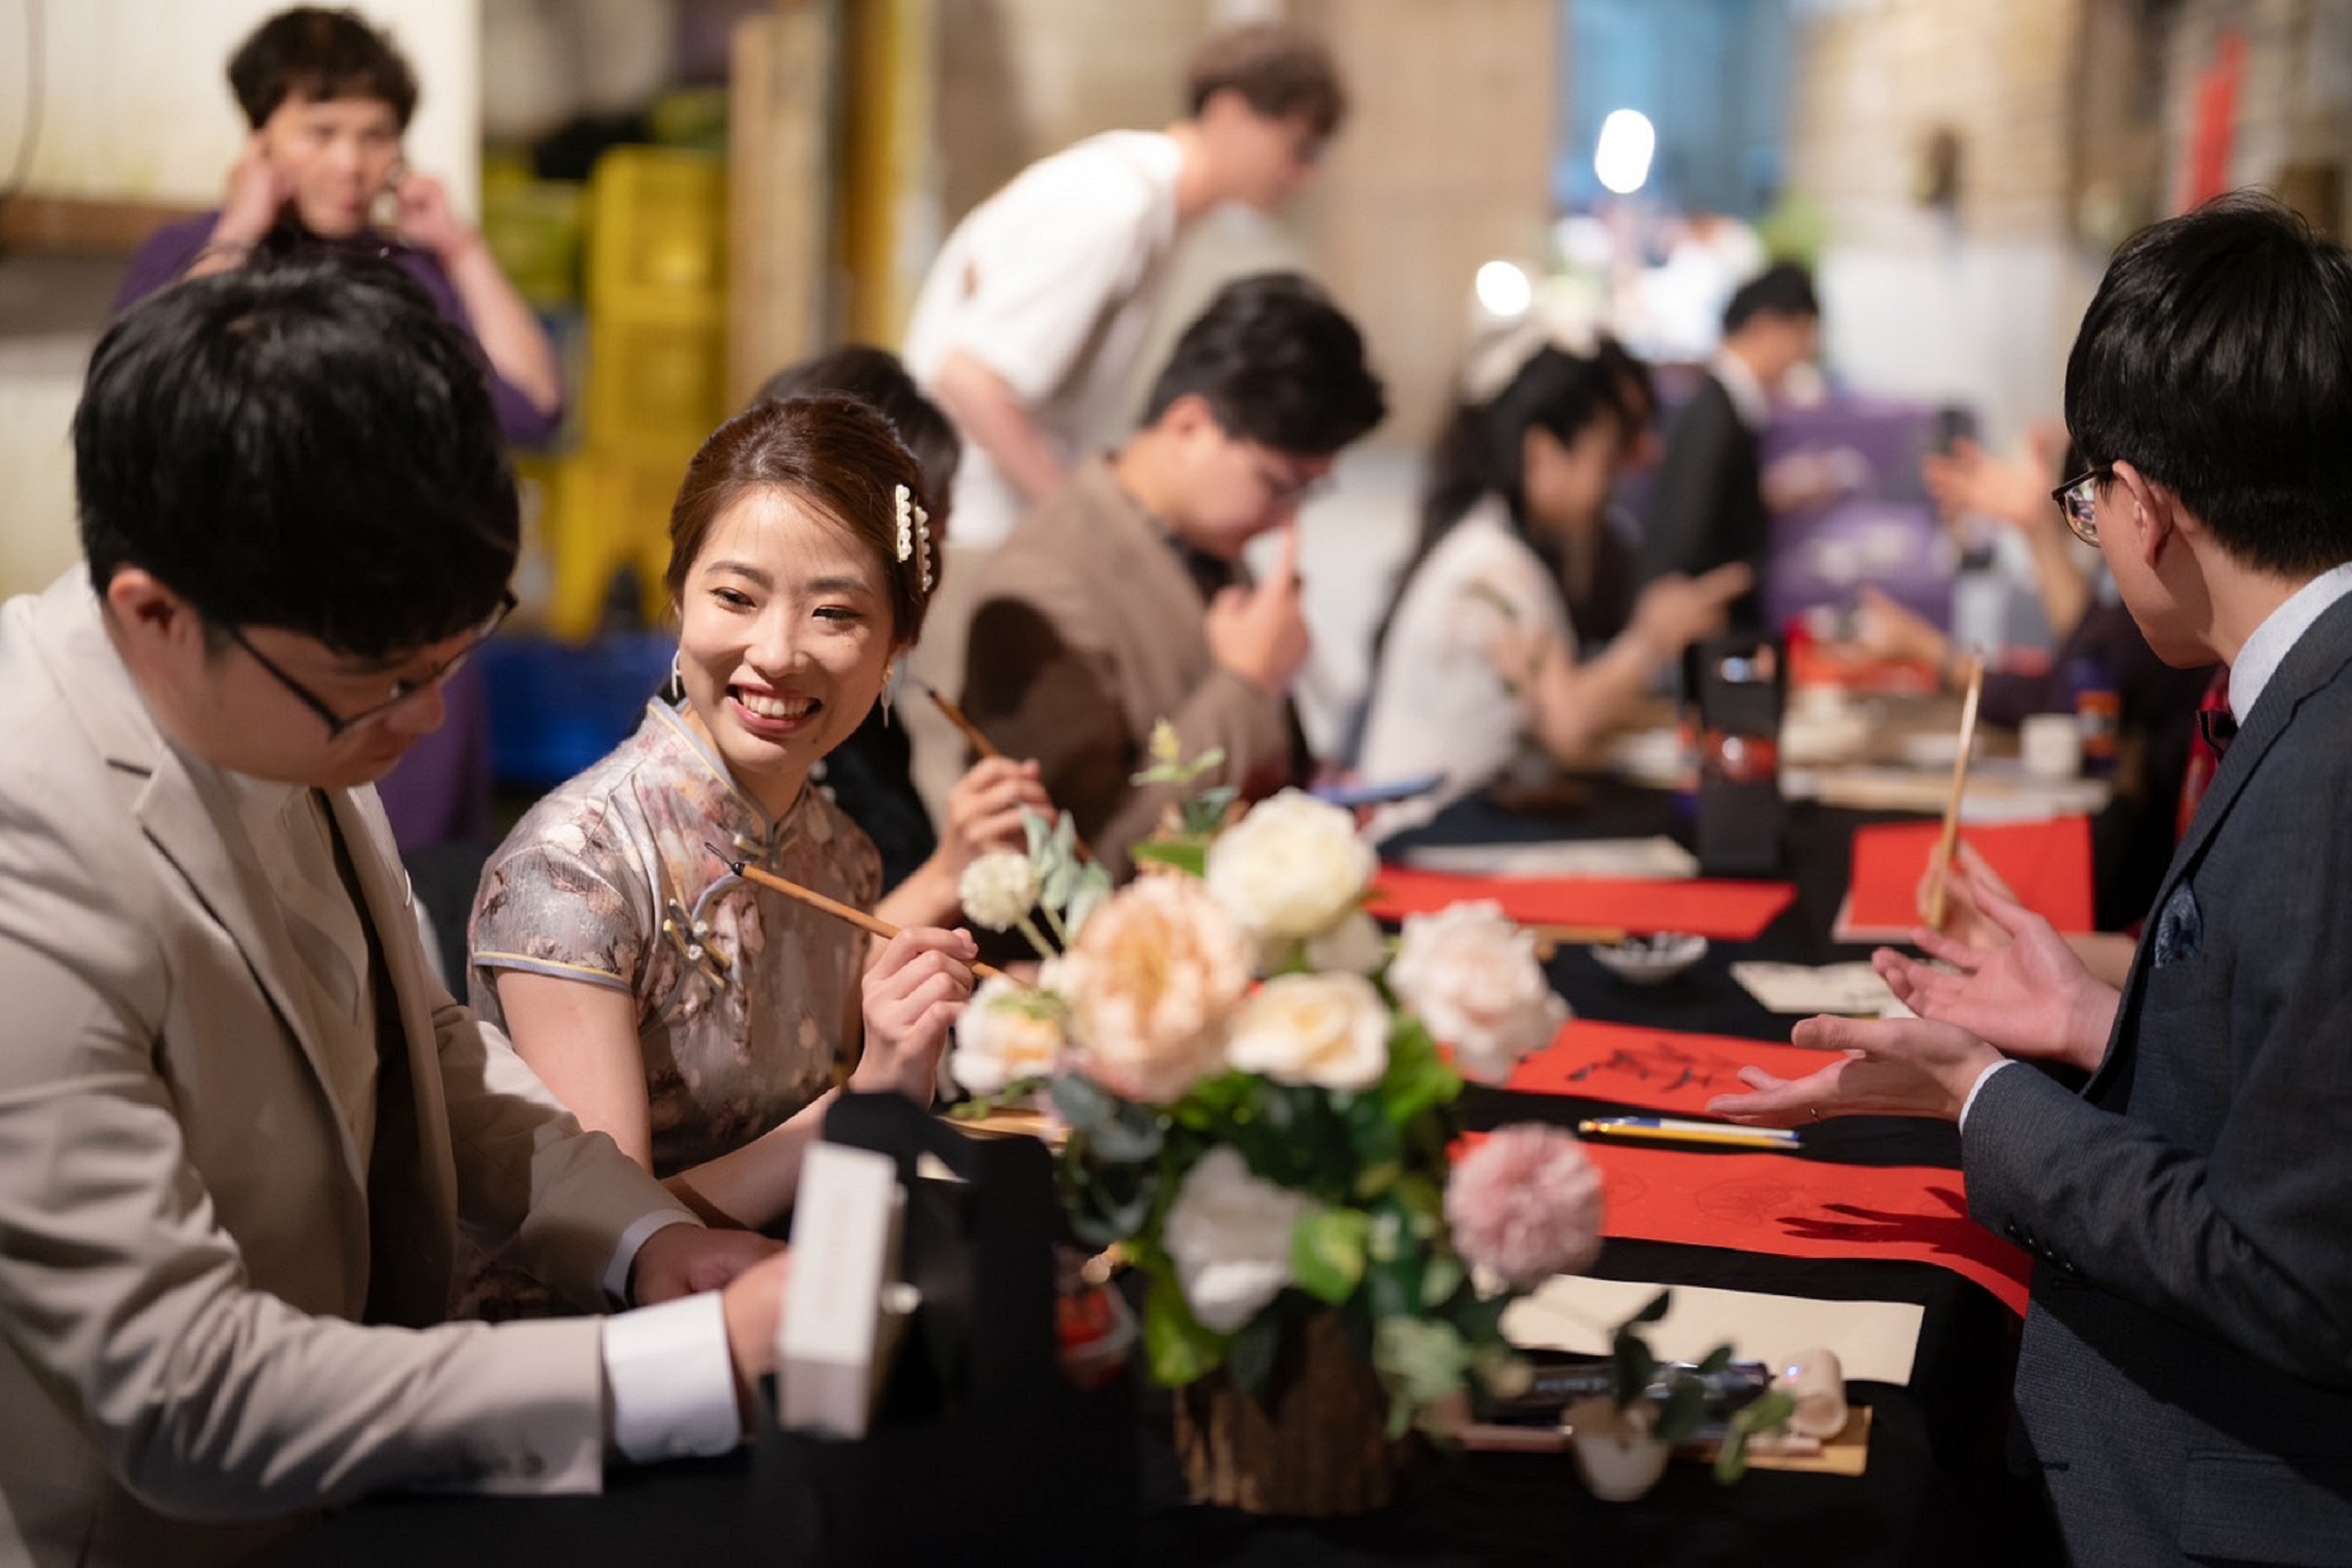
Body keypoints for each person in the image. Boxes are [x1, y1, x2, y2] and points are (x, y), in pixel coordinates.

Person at [0, 259, 787, 1567]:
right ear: (156, 613)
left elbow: (423, 1039)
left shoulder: (288, 683)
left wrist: (647, 1239)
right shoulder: (27, 836)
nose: (423, 720)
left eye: (452, 655)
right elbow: (186, 1391)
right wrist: (660, 1370)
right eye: (381, 682)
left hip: (356, 1480)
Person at [1712, 192, 2352, 1566]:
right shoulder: (2308, 690)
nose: (2090, 534)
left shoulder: (2325, 762)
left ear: (2143, 506)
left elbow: (2292, 1271)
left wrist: (1984, 1096)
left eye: (2083, 505)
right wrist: (2092, 1017)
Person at [463, 394, 980, 1278]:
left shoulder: (841, 853)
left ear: (898, 642)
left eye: (835, 613)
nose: (777, 652)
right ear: (678, 598)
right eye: (736, 597)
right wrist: (865, 1103)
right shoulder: (574, 867)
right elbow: (606, 1241)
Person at [899, 21, 1346, 811]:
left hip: (986, 519)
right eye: (1298, 145)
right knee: (982, 806)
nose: (1304, 174)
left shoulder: (1145, 203)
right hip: (969, 527)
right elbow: (970, 377)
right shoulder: (1115, 202)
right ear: (1231, 111)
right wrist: (1090, 523)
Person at [958, 272, 1386, 876]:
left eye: (1306, 493)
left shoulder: (1203, 537)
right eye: (1278, 486)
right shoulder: (1044, 584)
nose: (1285, 520)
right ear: (1188, 427)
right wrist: (1246, 685)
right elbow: (1076, 868)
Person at [118, 6, 563, 448]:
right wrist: (238, 232)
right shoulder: (189, 252)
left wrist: (462, 248)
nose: (350, 164)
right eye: (321, 132)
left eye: (376, 137)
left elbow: (533, 411)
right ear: (258, 136)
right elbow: (138, 403)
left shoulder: (407, 271)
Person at [1355, 338, 1748, 837]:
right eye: (1604, 461)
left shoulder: (1486, 542)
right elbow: (1568, 726)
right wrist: (1651, 642)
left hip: (1450, 825)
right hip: (1427, 837)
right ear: (1541, 453)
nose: (1613, 484)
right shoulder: (1493, 569)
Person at [749, 347, 1056, 927]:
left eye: (939, 534)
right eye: (922, 537)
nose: (930, 573)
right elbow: (770, 975)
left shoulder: (863, 716)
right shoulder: (755, 721)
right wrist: (948, 873)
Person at [1638, 262, 1820, 625]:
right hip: (1708, 618)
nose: (1804, 354)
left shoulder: (1726, 403)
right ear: (1765, 326)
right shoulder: (1716, 412)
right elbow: (1685, 530)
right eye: (1802, 336)